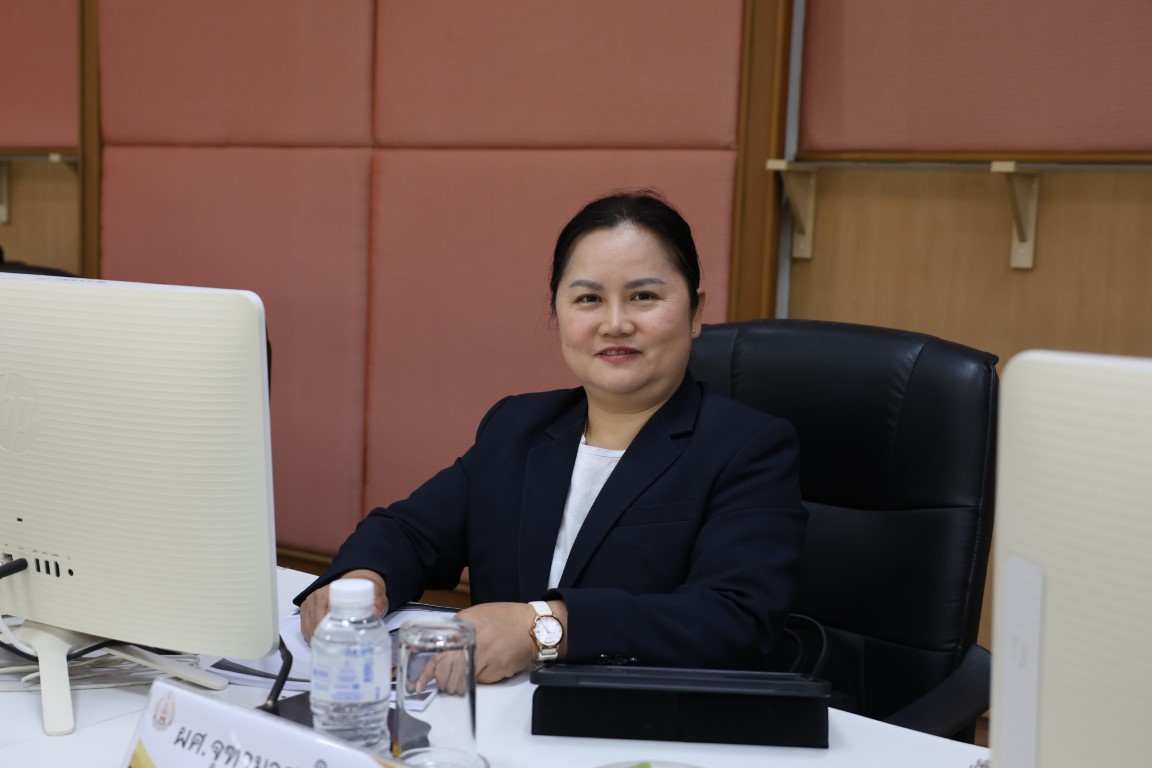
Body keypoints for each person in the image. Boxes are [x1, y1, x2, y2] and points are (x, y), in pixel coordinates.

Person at [295, 189, 806, 687]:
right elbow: (411, 532)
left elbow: (734, 618)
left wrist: (543, 627)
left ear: (695, 312)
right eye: (588, 299)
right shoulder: (518, 425)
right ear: (557, 314)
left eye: (644, 296)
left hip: (632, 720)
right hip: (491, 711)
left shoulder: (749, 448)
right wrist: (363, 579)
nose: (615, 323)